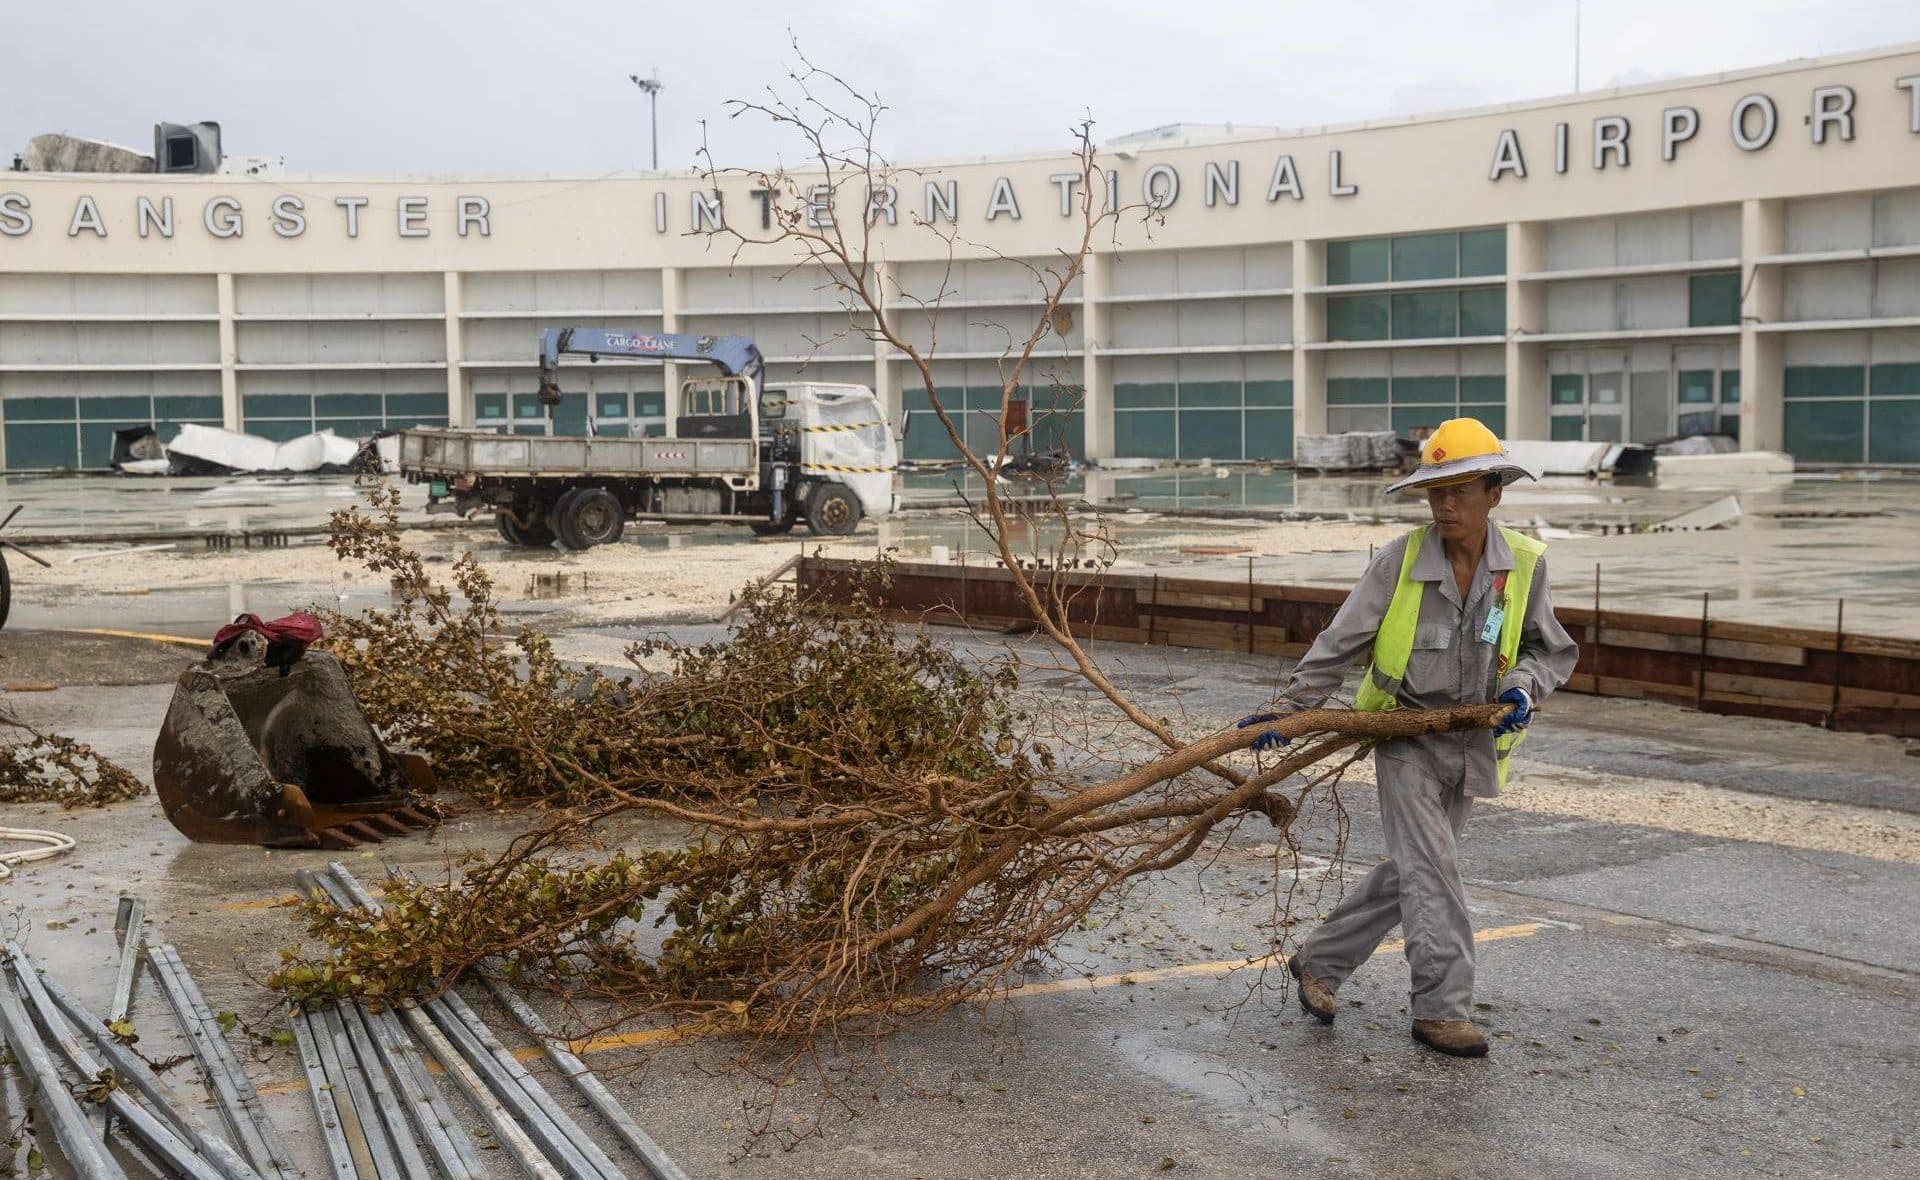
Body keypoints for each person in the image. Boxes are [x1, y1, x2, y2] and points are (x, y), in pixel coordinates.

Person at [1238, 418, 1578, 1057]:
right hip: (1405, 738)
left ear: (1494, 493)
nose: (1445, 505)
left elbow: (1549, 650)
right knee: (1434, 869)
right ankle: (1441, 1009)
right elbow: (1339, 642)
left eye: (1460, 490)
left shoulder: (1525, 566)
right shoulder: (1398, 563)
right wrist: (1289, 708)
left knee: (1414, 871)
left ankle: (1319, 958)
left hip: (1474, 742)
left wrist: (1524, 689)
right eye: (1435, 492)